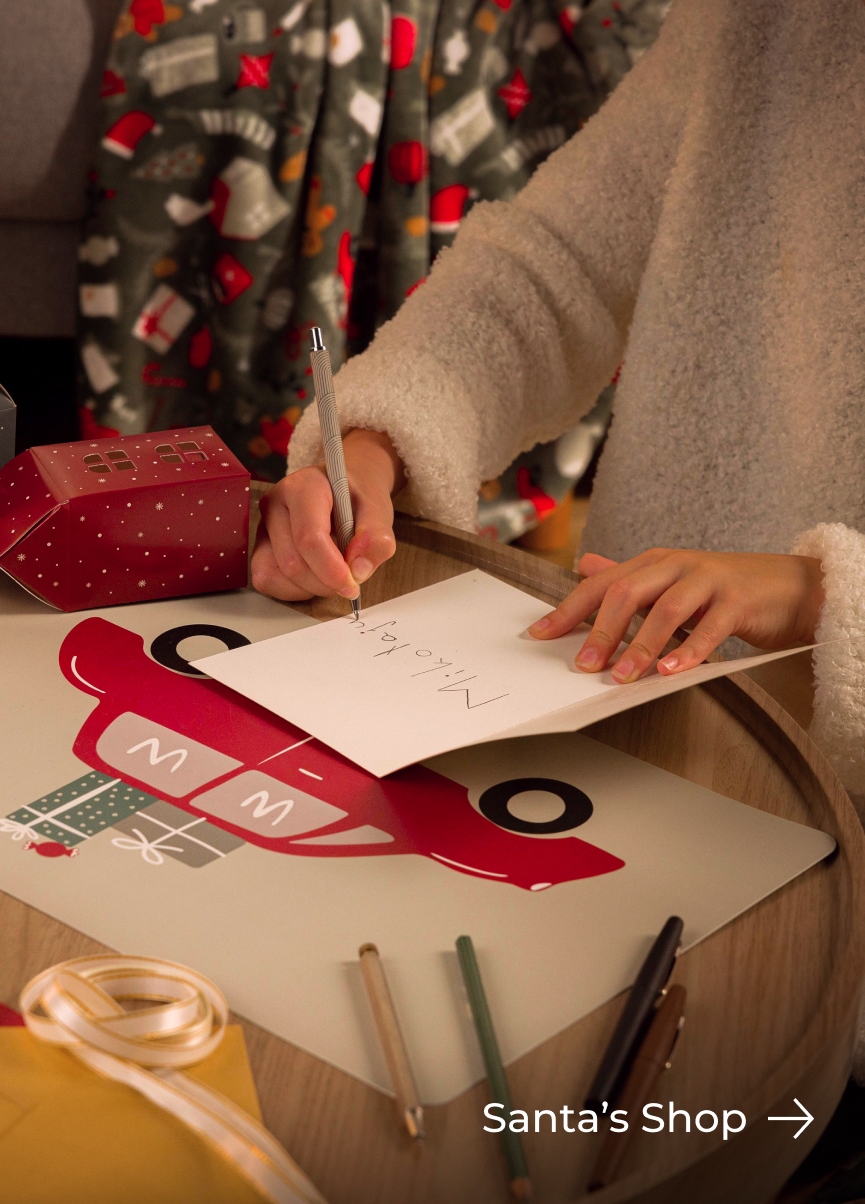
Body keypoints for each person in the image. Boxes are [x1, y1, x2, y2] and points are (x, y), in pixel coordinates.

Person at [252, 0, 865, 795]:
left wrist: (820, 597)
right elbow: (552, 266)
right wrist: (377, 441)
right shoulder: (762, 19)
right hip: (616, 698)